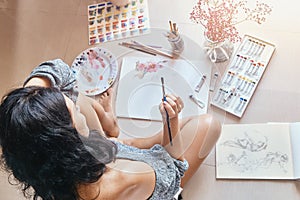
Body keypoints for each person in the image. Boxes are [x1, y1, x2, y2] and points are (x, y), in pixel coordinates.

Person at [0, 59, 221, 200]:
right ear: (71, 141)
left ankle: (113, 129)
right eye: (73, 111)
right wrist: (170, 120)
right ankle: (117, 135)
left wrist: (27, 104)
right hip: (157, 183)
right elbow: (174, 169)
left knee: (74, 96)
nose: (75, 105)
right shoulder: (120, 181)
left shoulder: (42, 166)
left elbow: (60, 72)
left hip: (103, 156)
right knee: (210, 125)